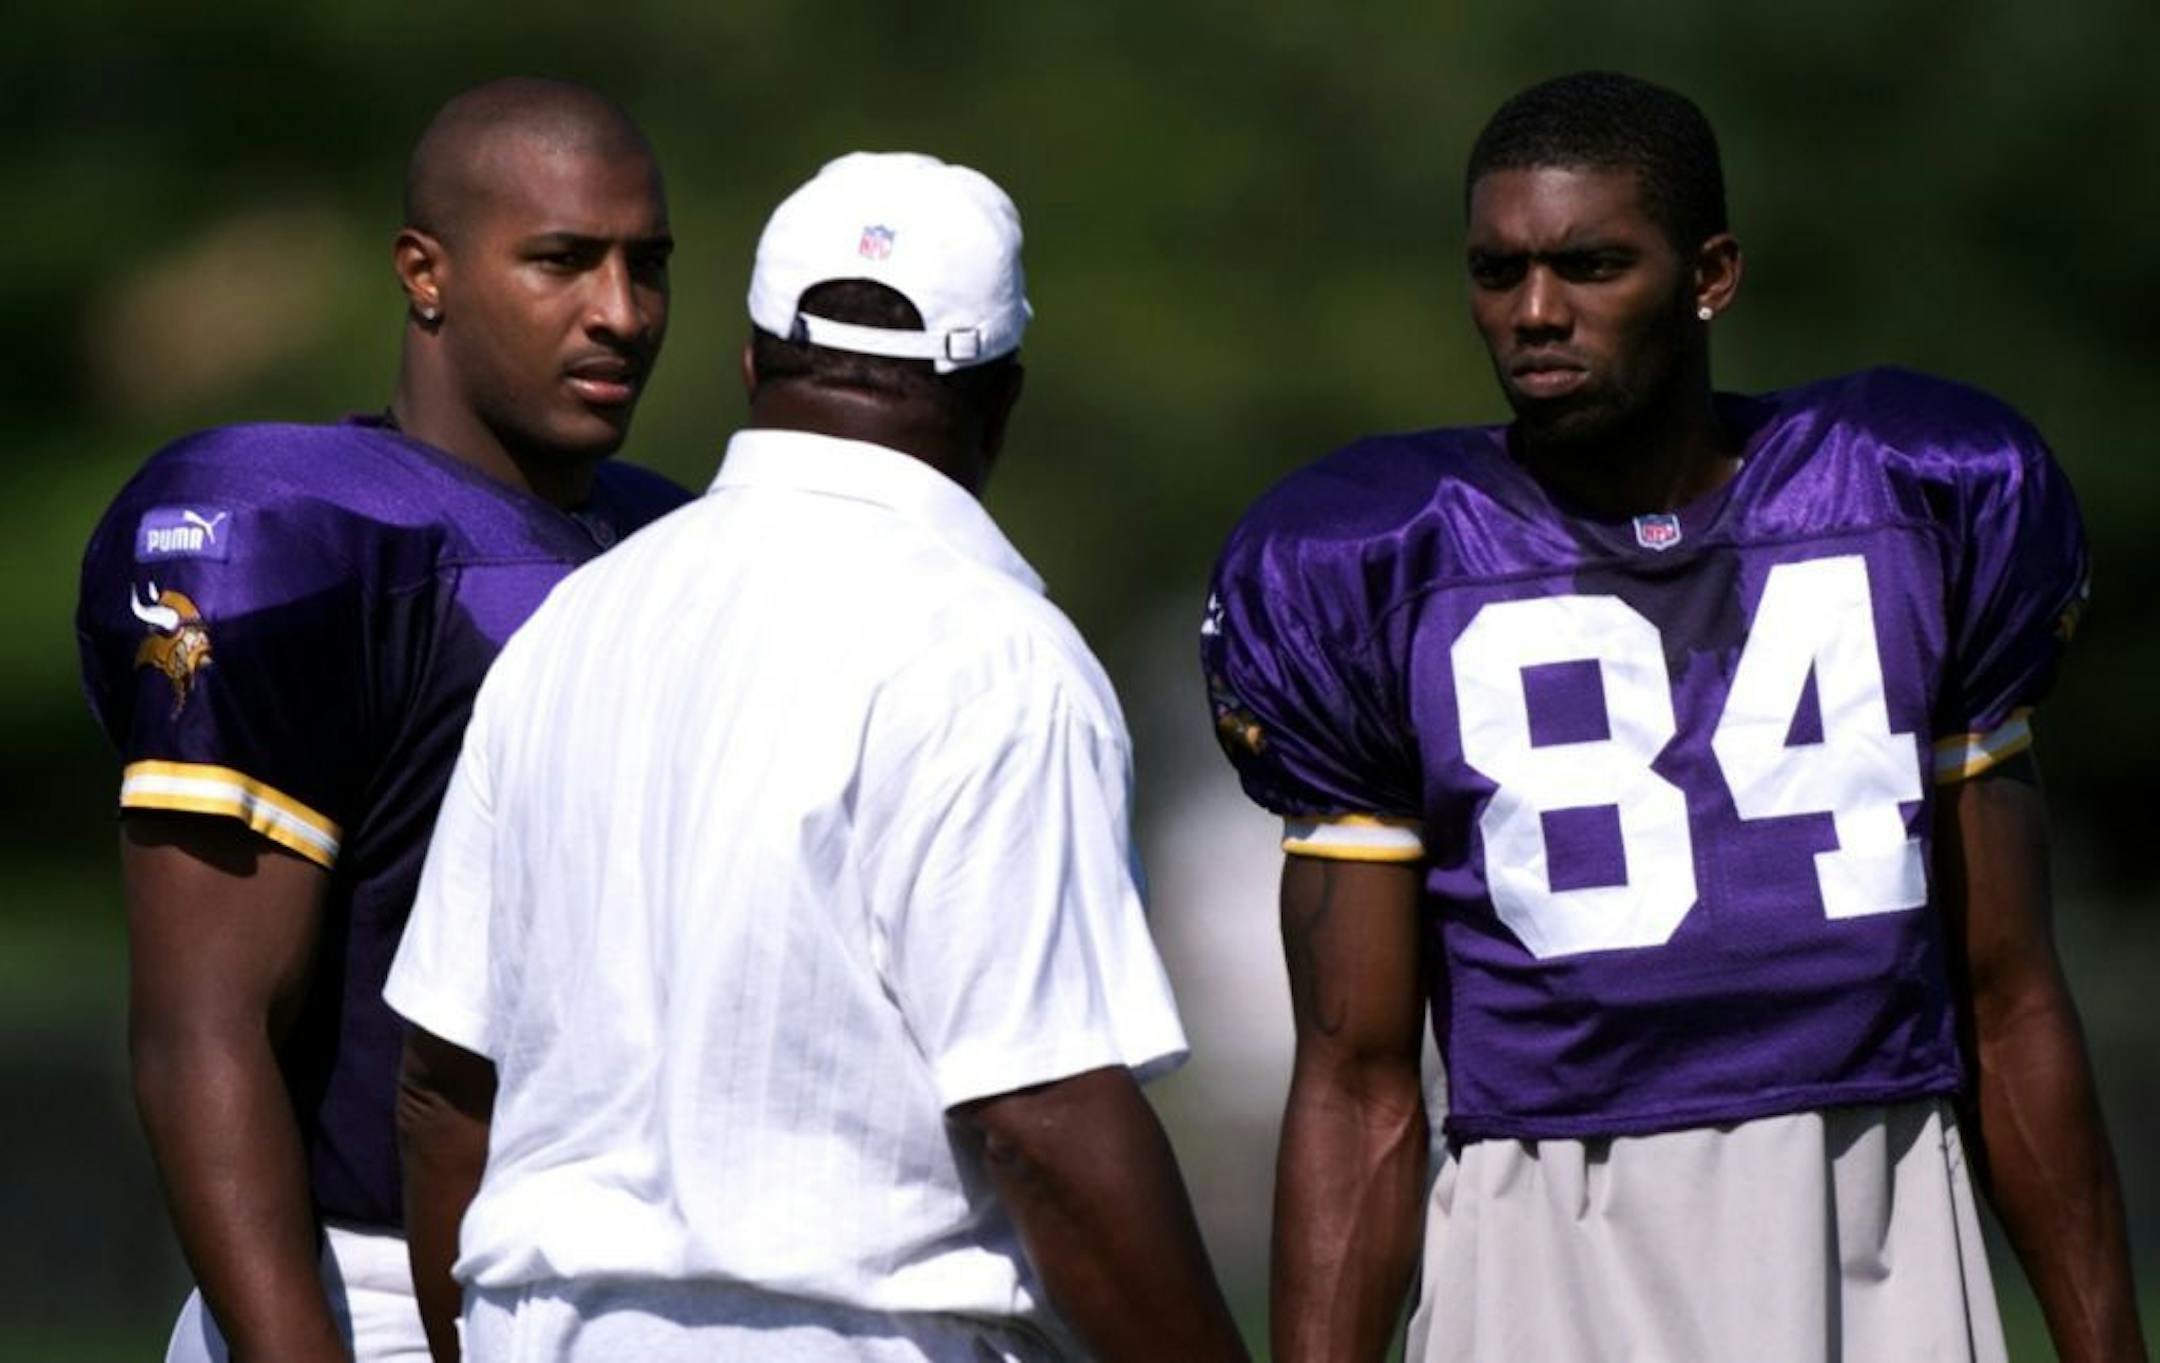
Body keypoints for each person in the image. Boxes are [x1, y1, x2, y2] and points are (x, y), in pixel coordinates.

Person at [1202, 71, 2146, 1363]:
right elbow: (1356, 1079)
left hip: (1872, 1189)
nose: (1536, 312)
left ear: (1709, 273)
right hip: (1549, 1216)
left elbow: (2010, 993)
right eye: (1498, 271)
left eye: (1590, 265)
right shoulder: (1370, 559)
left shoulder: (1918, 493)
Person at [385, 151, 1249, 1363]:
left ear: (752, 364)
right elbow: (1042, 1118)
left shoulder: (571, 627)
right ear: (1000, 394)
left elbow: (442, 1088)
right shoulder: (993, 652)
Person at [73, 78, 688, 1363]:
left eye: (648, 267)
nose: (620, 313)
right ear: (426, 271)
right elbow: (204, 1025)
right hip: (374, 1289)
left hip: (653, 1280)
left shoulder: (675, 539)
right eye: (563, 262)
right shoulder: (288, 532)